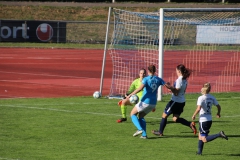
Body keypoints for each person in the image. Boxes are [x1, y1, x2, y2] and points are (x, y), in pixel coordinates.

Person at [152, 64, 197, 136]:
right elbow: (179, 90)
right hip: (182, 102)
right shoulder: (185, 80)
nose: (175, 72)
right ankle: (190, 124)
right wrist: (172, 88)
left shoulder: (179, 80)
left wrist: (169, 87)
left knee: (164, 115)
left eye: (176, 70)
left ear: (179, 71)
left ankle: (160, 132)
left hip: (175, 101)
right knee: (175, 119)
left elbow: (176, 93)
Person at [126, 64, 166, 139]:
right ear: (155, 71)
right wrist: (172, 89)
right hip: (153, 103)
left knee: (132, 114)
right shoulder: (158, 79)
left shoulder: (146, 79)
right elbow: (167, 85)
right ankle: (144, 135)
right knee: (141, 116)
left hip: (145, 101)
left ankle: (139, 129)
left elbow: (140, 89)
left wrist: (130, 95)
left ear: (148, 71)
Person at [192, 82, 228, 155]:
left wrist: (194, 115)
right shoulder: (212, 97)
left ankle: (219, 134)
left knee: (204, 139)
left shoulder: (201, 98)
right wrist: (218, 113)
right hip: (209, 119)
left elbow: (198, 108)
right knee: (200, 135)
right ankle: (199, 153)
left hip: (203, 120)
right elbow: (218, 106)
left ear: (203, 88)